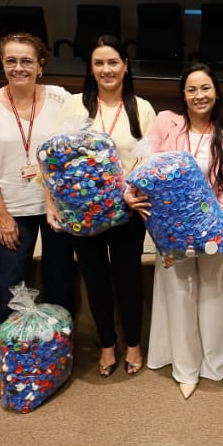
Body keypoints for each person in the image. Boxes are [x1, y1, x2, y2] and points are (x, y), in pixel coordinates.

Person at [128, 63, 223, 399]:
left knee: (214, 292)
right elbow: (143, 165)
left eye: (205, 88)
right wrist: (128, 191)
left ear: (216, 91)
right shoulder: (166, 122)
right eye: (191, 89)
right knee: (178, 294)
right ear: (183, 95)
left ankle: (214, 358)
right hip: (170, 229)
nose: (199, 95)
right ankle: (186, 366)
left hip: (212, 228)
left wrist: (220, 225)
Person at [56, 35, 156, 377]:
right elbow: (58, 160)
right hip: (83, 214)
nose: (106, 69)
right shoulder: (73, 105)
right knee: (95, 279)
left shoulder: (141, 107)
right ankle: (107, 344)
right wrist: (53, 203)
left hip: (128, 210)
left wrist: (128, 191)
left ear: (125, 66)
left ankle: (133, 344)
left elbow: (147, 161)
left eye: (113, 62)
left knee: (128, 279)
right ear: (91, 67)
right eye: (99, 63)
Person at [0, 33, 76, 334]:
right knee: (8, 285)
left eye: (26, 61)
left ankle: (58, 348)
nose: (18, 68)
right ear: (1, 64)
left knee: (61, 279)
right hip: (12, 207)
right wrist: (1, 215)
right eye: (10, 61)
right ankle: (12, 353)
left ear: (40, 65)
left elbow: (75, 150)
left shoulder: (61, 98)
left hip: (58, 206)